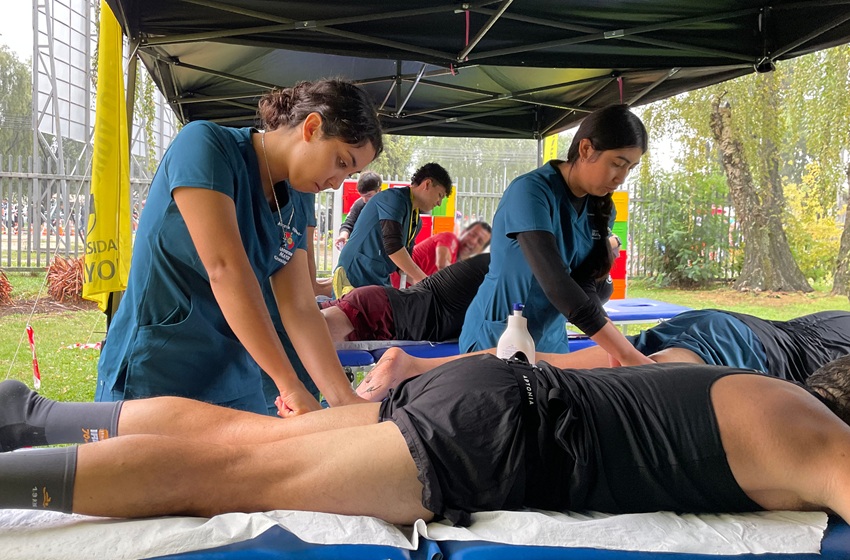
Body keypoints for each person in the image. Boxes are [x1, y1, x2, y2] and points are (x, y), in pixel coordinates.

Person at [2, 355, 850, 525]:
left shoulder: (732, 373)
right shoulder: (815, 437)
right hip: (502, 437)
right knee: (229, 473)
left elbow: (620, 364)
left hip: (486, 384)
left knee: (243, 437)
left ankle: (31, 415)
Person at [95, 79, 382, 416]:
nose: (337, 183)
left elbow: (300, 306)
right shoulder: (205, 145)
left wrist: (344, 402)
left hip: (234, 375)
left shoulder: (298, 195)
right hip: (158, 367)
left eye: (351, 173)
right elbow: (226, 270)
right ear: (312, 127)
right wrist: (290, 386)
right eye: (342, 162)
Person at [461, 105, 651, 368]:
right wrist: (626, 353)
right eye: (617, 164)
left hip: (551, 341)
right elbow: (555, 281)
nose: (621, 178)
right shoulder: (531, 191)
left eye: (630, 168)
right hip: (498, 336)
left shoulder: (601, 209)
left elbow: (583, 285)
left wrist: (615, 347)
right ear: (586, 149)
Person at [359, 309, 850, 401]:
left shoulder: (835, 320)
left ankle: (417, 367)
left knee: (556, 364)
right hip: (749, 348)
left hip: (721, 324)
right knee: (621, 389)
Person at [333, 163, 452, 296]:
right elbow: (393, 246)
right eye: (440, 195)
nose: (439, 203)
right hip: (355, 273)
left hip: (377, 277)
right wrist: (429, 284)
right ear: (427, 184)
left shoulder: (415, 221)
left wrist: (429, 289)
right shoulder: (393, 199)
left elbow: (403, 267)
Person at [321, 253, 491, 343]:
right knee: (311, 336)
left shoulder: (493, 268)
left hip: (386, 308)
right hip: (382, 313)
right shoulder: (496, 271)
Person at [390, 221, 491, 287]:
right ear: (464, 232)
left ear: (481, 250)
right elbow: (442, 264)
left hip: (403, 294)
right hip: (390, 282)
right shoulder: (450, 239)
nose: (473, 241)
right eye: (472, 235)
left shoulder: (458, 262)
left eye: (480, 241)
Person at [334, 171, 382, 251]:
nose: (365, 200)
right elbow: (348, 224)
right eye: (362, 196)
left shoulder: (388, 205)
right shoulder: (359, 204)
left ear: (379, 190)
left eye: (369, 195)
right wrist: (343, 236)